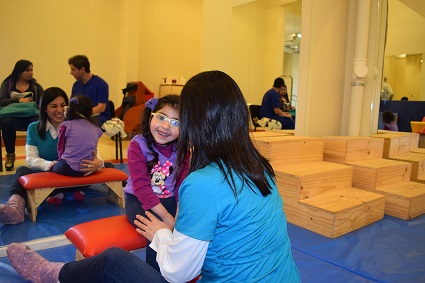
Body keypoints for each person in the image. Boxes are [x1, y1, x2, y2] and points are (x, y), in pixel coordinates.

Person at [6, 70, 300, 283]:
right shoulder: (261, 167)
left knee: (113, 260)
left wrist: (161, 233)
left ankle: (52, 275)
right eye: (163, 117)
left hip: (174, 230)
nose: (170, 125)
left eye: (179, 119)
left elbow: (178, 272)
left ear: (192, 123)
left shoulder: (203, 182)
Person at [0, 87, 104, 225]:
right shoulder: (33, 128)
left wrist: (98, 162)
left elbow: (93, 152)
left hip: (72, 176)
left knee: (106, 166)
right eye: (54, 106)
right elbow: (31, 159)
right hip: (49, 176)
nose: (60, 110)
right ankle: (15, 209)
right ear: (44, 108)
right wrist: (49, 165)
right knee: (21, 171)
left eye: (63, 106)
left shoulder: (78, 127)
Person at [124, 94, 188, 271]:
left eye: (176, 122)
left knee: (185, 229)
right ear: (151, 115)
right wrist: (168, 219)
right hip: (139, 201)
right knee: (159, 234)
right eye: (161, 117)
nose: (166, 126)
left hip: (169, 200)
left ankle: (177, 271)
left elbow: (181, 184)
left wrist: (177, 214)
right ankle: (154, 274)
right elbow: (142, 188)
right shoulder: (138, 145)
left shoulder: (182, 150)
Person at [0, 60, 44, 171]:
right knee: (6, 122)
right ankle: (10, 154)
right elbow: (1, 101)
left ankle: (39, 154)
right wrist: (19, 100)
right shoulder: (8, 84)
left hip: (30, 115)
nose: (30, 73)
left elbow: (43, 103)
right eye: (27, 70)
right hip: (12, 115)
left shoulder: (35, 86)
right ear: (19, 72)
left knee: (40, 122)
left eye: (31, 70)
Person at [51, 96, 103, 177]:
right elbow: (92, 148)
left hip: (68, 167)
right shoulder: (96, 127)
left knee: (54, 167)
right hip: (88, 167)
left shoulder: (66, 125)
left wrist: (59, 161)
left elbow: (60, 147)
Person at [68, 55, 111, 126]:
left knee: (82, 125)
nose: (71, 73)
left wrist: (82, 116)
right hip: (81, 117)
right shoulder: (76, 85)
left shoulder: (101, 84)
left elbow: (101, 108)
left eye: (73, 69)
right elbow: (72, 105)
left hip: (98, 116)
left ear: (82, 69)